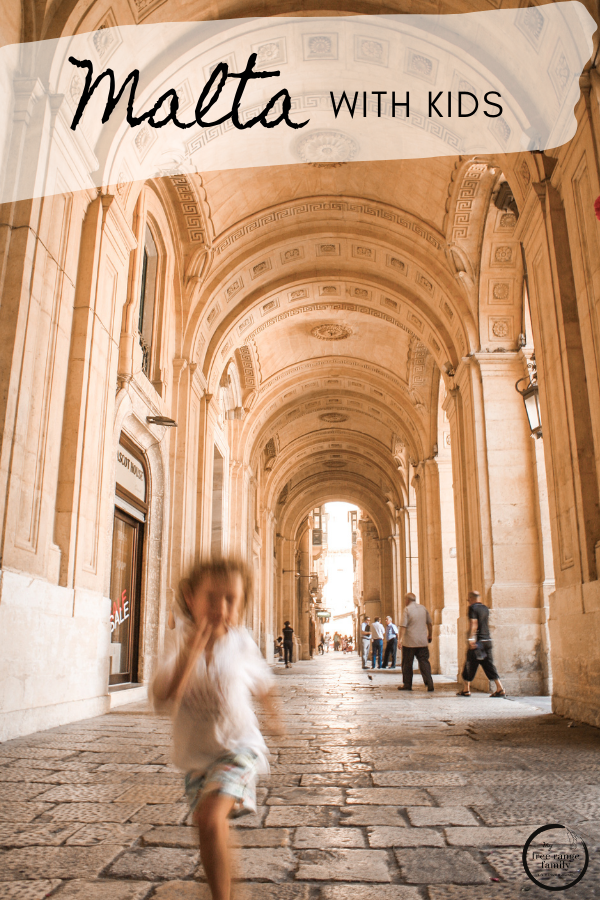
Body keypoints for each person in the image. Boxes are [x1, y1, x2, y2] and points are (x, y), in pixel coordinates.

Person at [152, 558, 281, 900]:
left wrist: (274, 718)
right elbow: (164, 699)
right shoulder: (177, 641)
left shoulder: (241, 643)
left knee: (209, 818)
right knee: (210, 828)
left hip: (239, 748)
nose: (221, 607)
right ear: (190, 598)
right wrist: (189, 655)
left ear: (240, 605)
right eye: (211, 597)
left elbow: (263, 684)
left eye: (231, 599)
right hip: (197, 757)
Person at [458, 591, 506, 697]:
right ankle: (500, 688)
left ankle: (466, 689)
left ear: (471, 599)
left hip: (477, 642)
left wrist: (471, 638)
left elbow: (474, 624)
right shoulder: (485, 608)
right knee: (488, 665)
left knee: (469, 665)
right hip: (487, 641)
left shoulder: (472, 608)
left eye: (468, 600)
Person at [398, 592, 434, 691]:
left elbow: (403, 626)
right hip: (422, 642)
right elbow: (430, 623)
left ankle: (407, 684)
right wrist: (430, 635)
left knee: (407, 664)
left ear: (407, 600)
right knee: (424, 662)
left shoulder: (407, 610)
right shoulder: (423, 608)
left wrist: (400, 640)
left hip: (409, 642)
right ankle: (429, 682)